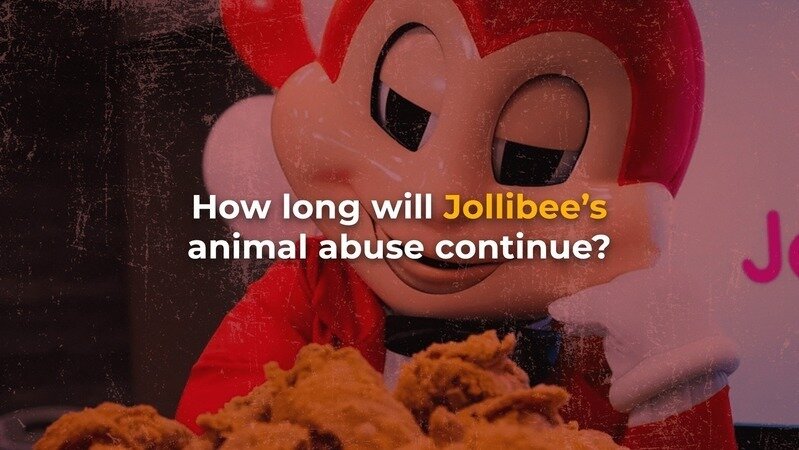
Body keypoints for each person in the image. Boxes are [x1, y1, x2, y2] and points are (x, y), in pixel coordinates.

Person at [177, 1, 740, 447]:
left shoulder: (608, 343)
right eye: (403, 113)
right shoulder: (312, 287)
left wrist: (677, 383)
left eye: (531, 155)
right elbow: (214, 422)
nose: (439, 203)